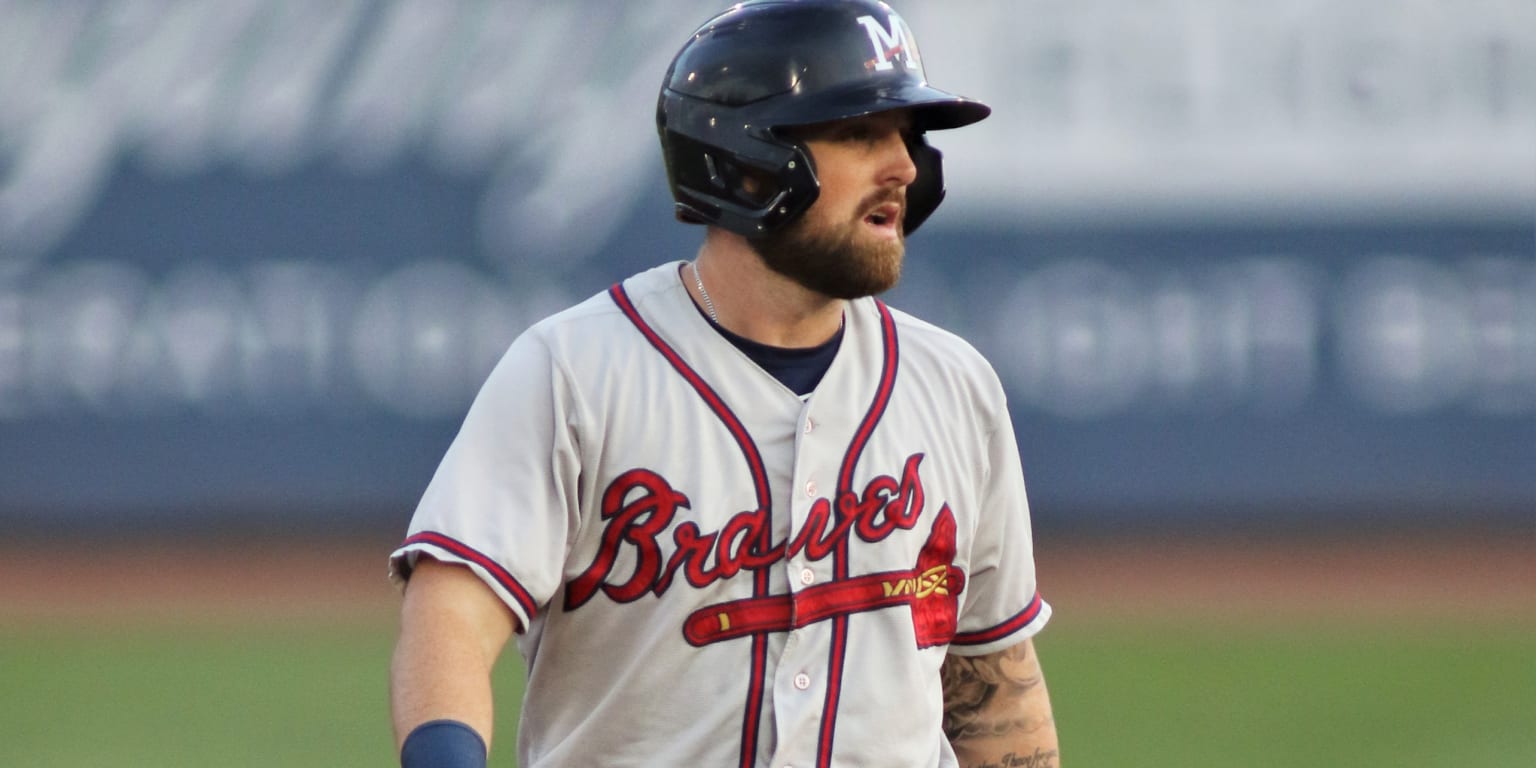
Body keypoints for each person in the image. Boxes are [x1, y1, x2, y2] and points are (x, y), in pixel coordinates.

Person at [388, 1, 1059, 766]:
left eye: (907, 136)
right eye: (859, 133)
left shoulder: (954, 387)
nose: (904, 166)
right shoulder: (577, 370)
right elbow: (449, 614)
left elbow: (994, 680)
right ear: (745, 162)